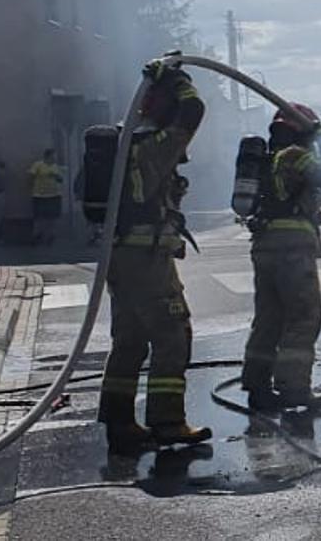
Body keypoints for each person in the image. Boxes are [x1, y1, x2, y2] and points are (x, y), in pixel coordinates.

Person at [98, 61, 210, 453]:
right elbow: (194, 112)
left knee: (128, 340)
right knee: (172, 333)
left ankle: (120, 422)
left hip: (120, 255)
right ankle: (167, 421)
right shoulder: (153, 146)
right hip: (145, 259)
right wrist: (179, 77)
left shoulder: (127, 143)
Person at [240, 104, 321, 412]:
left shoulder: (269, 160)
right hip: (291, 249)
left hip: (265, 245)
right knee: (304, 317)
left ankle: (258, 388)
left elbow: (314, 198)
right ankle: (294, 389)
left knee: (269, 320)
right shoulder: (295, 155)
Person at [27, 149, 65, 245]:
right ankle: (37, 235)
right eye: (53, 157)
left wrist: (56, 175)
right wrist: (33, 186)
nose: (54, 159)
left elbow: (61, 179)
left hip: (54, 195)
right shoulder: (38, 165)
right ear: (47, 157)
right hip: (40, 195)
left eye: (55, 157)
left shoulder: (56, 167)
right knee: (39, 217)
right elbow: (31, 176)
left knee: (52, 217)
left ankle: (50, 236)